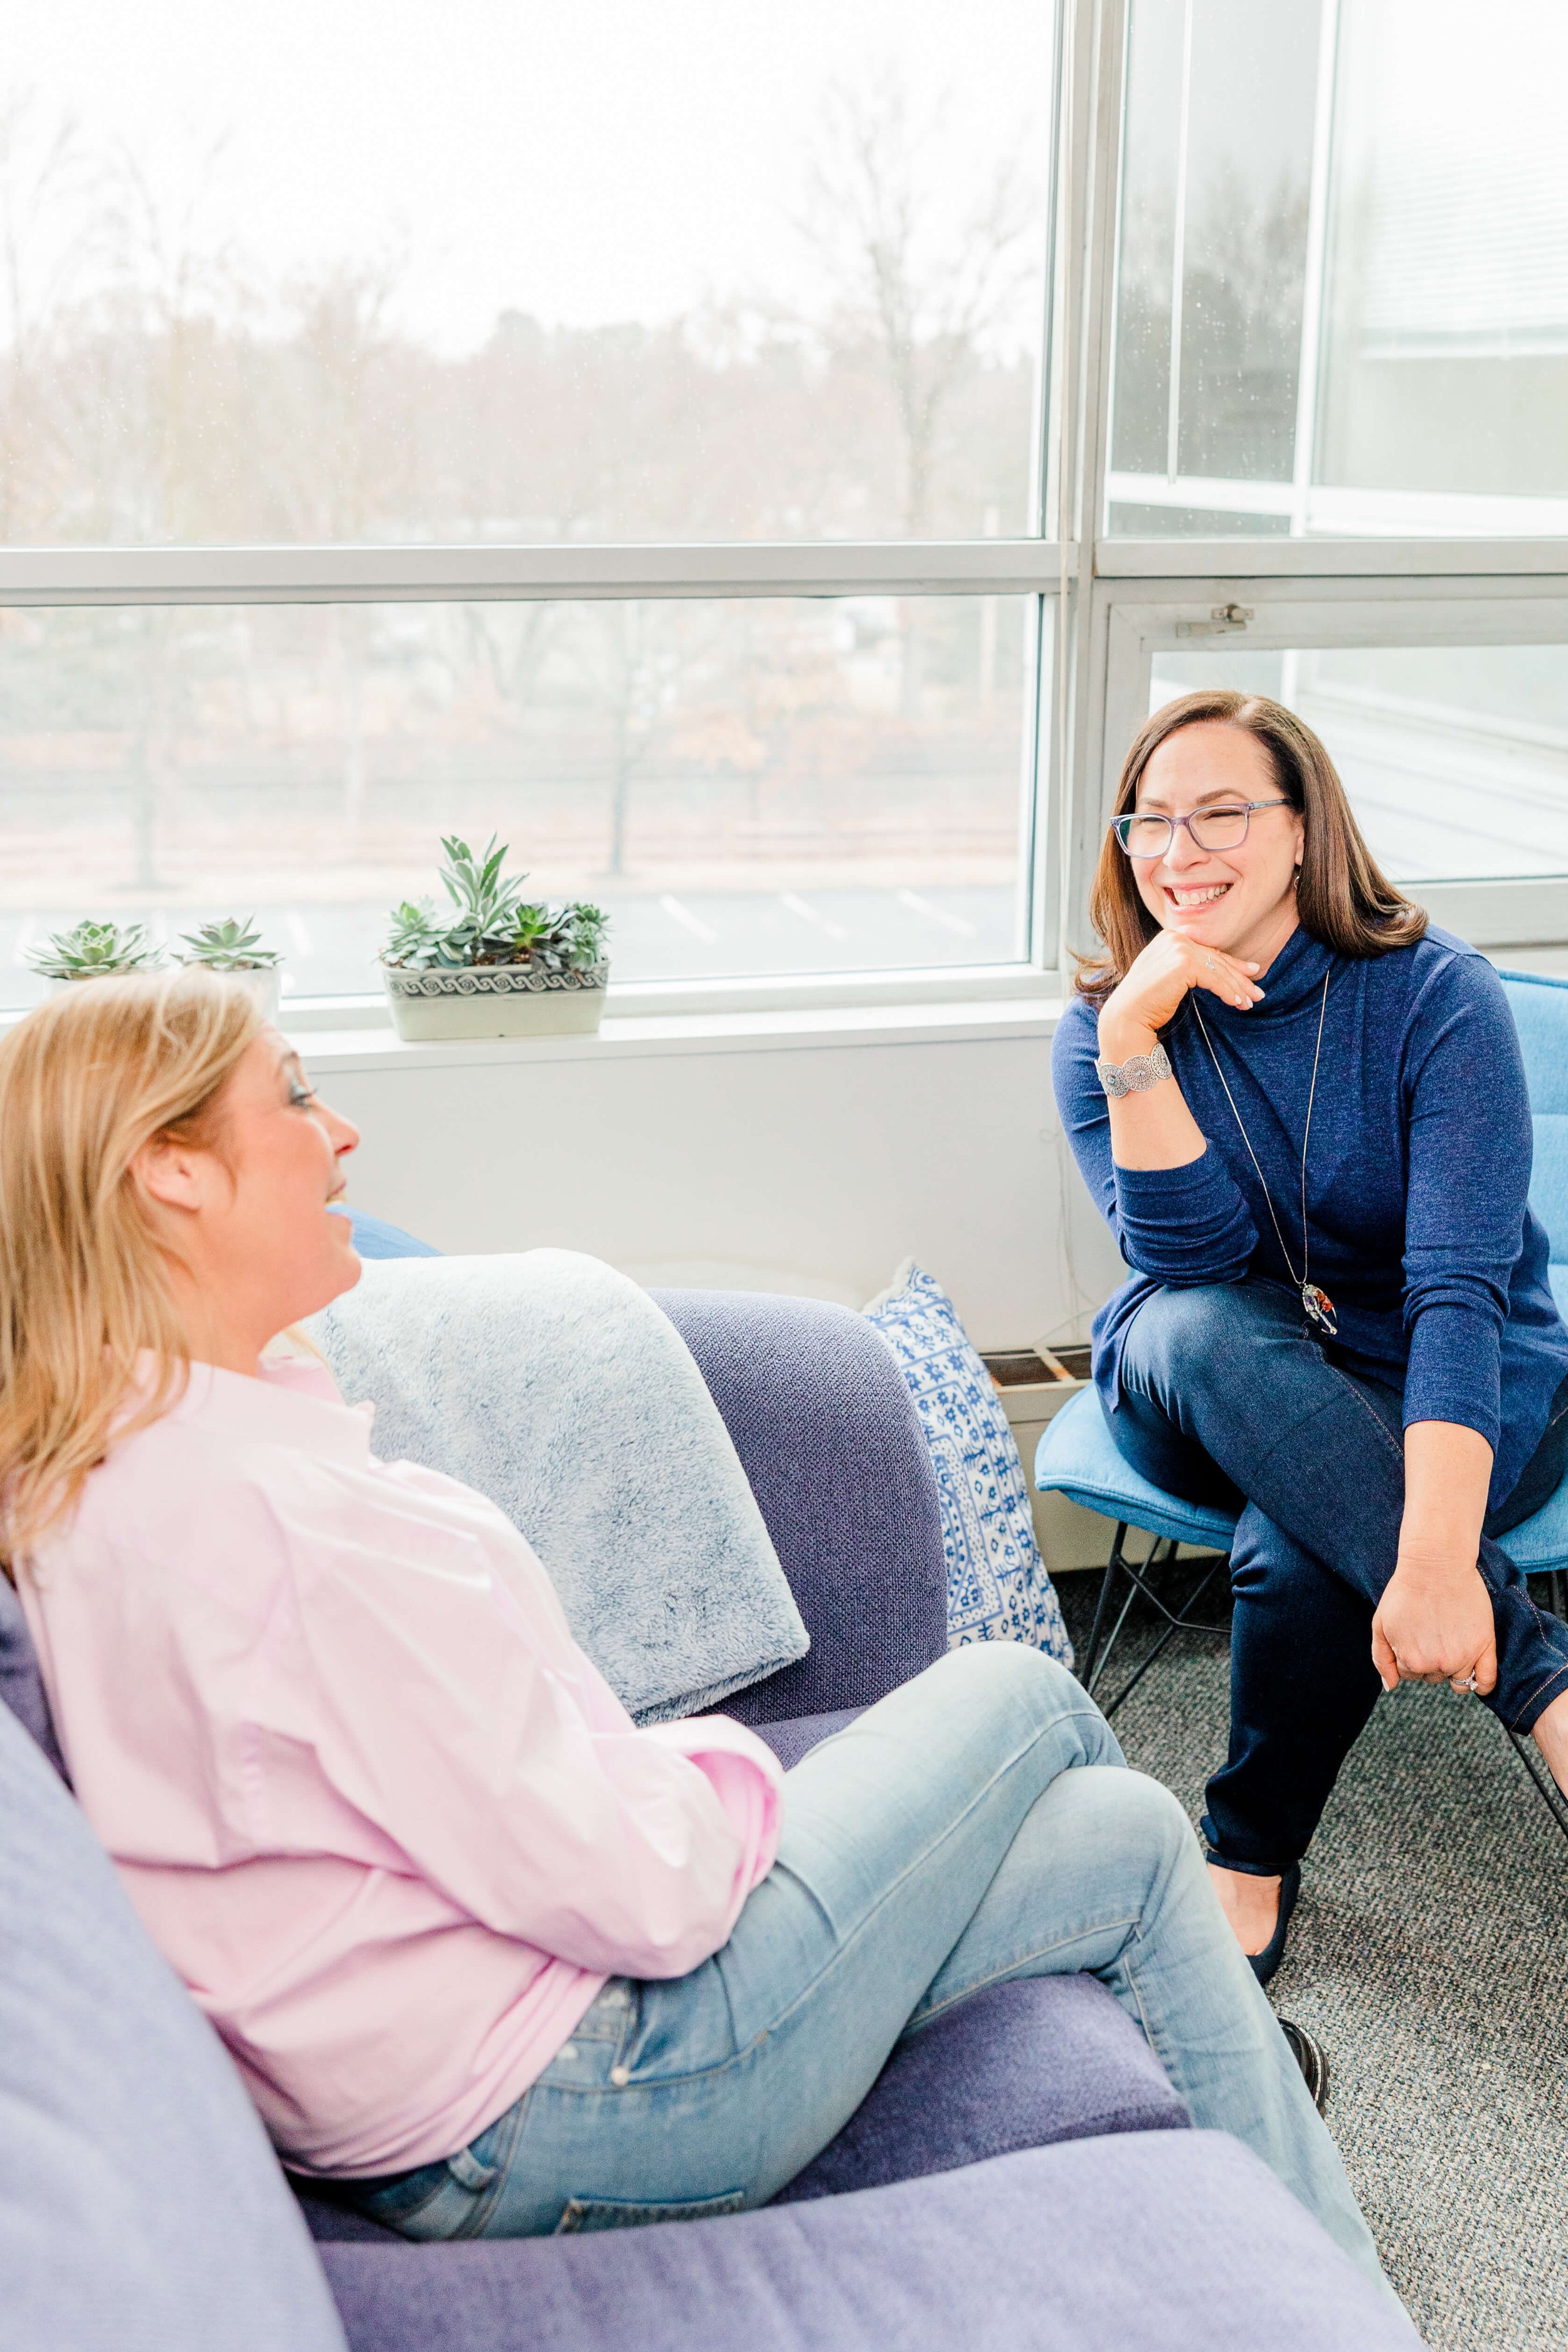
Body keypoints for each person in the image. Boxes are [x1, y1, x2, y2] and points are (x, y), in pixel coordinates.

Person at [0, 972, 1383, 2283]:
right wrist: (725, 1771)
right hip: (582, 2093)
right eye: (294, 1098)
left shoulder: (103, 1452)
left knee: (1127, 1837)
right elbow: (647, 1889)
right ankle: (1235, 2075)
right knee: (1016, 1687)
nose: (342, 1132)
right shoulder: (298, 1529)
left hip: (438, 2084)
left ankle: (1315, 2275)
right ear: (170, 1168)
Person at [1054, 688, 1568, 1980]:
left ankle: (1245, 1856)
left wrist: (1438, 1557)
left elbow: (1459, 1288)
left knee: (1300, 1555)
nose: (1179, 852)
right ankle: (1543, 1684)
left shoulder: (1431, 996)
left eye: (1220, 813)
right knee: (1196, 1332)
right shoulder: (1103, 1026)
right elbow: (1192, 1263)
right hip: (1214, 1374)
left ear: (1301, 830)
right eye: (1148, 823)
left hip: (1447, 1371)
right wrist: (1132, 1041)